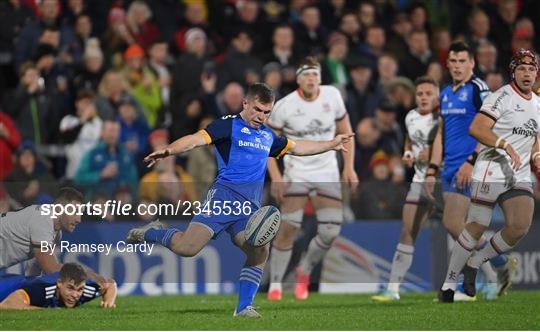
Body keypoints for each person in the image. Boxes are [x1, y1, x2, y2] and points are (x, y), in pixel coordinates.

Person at [126, 83, 353, 318]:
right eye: (257, 110)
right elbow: (195, 139)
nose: (261, 117)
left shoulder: (267, 136)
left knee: (259, 250)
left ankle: (244, 307)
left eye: (267, 112)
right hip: (223, 199)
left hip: (248, 209)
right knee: (187, 248)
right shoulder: (227, 126)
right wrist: (169, 151)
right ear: (245, 103)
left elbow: (298, 147)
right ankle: (151, 232)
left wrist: (331, 144)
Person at [439, 49, 540, 302]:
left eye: (531, 69)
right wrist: (505, 145)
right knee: (475, 226)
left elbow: (536, 140)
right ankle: (449, 285)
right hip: (491, 168)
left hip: (518, 172)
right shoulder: (501, 97)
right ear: (513, 72)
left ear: (537, 73)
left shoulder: (538, 103)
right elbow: (477, 128)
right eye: (522, 68)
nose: (527, 73)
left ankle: (476, 261)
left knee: (520, 225)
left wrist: (537, 158)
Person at [266, 56, 358, 301]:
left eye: (315, 74)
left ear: (320, 78)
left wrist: (349, 168)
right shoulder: (284, 106)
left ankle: (304, 269)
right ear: (298, 79)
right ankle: (275, 284)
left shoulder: (333, 97)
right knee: (289, 228)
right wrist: (275, 176)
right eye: (306, 74)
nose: (311, 79)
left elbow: (347, 134)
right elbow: (267, 145)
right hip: (296, 172)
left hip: (326, 172)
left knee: (330, 231)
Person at [426, 42, 513, 300]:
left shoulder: (479, 89)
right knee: (462, 226)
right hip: (450, 167)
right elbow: (441, 133)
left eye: (462, 61)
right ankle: (493, 269)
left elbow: (491, 127)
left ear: (472, 63)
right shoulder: (445, 92)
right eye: (452, 61)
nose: (457, 66)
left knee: (454, 223)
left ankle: (479, 277)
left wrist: (472, 160)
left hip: (470, 167)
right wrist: (432, 168)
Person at [372, 76, 439, 301]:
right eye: (420, 93)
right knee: (408, 230)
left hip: (444, 183)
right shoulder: (411, 116)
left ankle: (494, 269)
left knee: (461, 230)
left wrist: (433, 156)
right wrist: (409, 153)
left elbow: (454, 149)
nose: (423, 98)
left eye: (428, 94)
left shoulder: (444, 119)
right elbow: (411, 139)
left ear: (437, 97)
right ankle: (393, 289)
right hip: (420, 181)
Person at [0, 187, 103, 285]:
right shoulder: (44, 220)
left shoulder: (54, 231)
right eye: (75, 212)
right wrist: (89, 275)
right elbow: (51, 269)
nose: (78, 219)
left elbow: (33, 270)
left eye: (80, 213)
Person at [0, 263, 116, 309]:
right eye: (70, 288)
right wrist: (45, 311)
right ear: (59, 283)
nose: (75, 295)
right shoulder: (42, 288)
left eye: (79, 289)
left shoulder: (86, 289)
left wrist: (108, 301)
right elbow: (7, 305)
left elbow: (111, 284)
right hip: (10, 285)